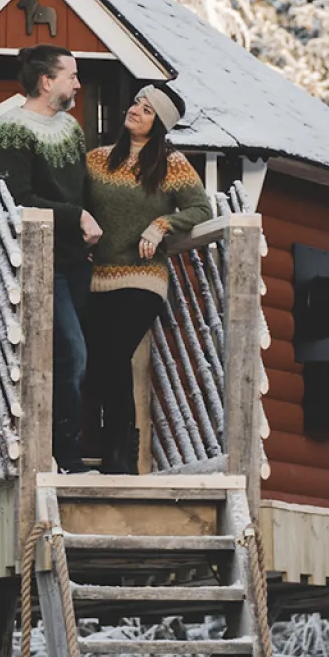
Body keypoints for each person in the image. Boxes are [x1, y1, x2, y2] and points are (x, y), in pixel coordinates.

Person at [0, 44, 103, 474]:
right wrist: (78, 217)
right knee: (70, 354)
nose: (77, 82)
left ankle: (71, 452)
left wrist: (90, 228)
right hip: (39, 263)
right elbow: (18, 200)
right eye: (70, 74)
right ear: (46, 81)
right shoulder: (9, 131)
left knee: (79, 356)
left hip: (76, 262)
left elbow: (83, 189)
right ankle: (66, 460)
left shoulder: (71, 128)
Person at [82, 84, 211, 474]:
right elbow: (76, 204)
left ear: (159, 126)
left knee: (114, 354)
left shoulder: (171, 164)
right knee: (97, 361)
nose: (136, 110)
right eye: (137, 102)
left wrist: (163, 224)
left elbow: (201, 209)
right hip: (96, 278)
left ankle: (120, 452)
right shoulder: (96, 160)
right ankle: (108, 450)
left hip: (143, 279)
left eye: (148, 109)